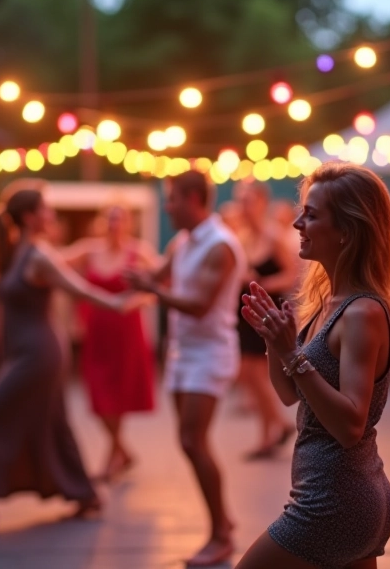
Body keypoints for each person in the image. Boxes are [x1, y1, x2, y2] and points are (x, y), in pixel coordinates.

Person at [234, 162, 390, 569]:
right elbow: (289, 395)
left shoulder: (362, 312)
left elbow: (350, 427)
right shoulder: (328, 302)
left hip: (333, 501)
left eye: (311, 214)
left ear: (347, 229)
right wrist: (277, 344)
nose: (297, 222)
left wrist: (293, 355)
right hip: (346, 495)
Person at [0, 188, 141, 532]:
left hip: (40, 353)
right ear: (28, 217)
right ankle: (86, 495)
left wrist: (119, 303)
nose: (51, 215)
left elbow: (78, 288)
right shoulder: (17, 251)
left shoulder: (39, 255)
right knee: (52, 422)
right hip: (23, 351)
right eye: (45, 209)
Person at [125, 169, 246, 566]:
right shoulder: (183, 240)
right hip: (181, 352)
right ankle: (223, 519)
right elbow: (156, 276)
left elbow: (199, 304)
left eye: (172, 198)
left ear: (193, 199)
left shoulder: (220, 245)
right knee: (188, 440)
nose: (167, 206)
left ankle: (220, 534)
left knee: (194, 440)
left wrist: (152, 291)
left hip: (210, 352)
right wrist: (129, 277)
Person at [63, 204, 159, 481]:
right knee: (97, 393)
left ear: (129, 223)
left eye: (121, 219)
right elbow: (55, 268)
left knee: (118, 394)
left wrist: (135, 302)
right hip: (96, 331)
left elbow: (161, 287)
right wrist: (74, 311)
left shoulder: (139, 251)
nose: (115, 224)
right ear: (103, 222)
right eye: (111, 219)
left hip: (126, 333)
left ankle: (111, 457)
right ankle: (122, 450)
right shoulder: (88, 250)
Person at [232, 179, 297, 459]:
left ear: (261, 202)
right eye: (240, 201)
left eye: (247, 201)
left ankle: (269, 433)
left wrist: (262, 283)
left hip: (265, 309)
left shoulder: (273, 236)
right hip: (246, 310)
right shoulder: (242, 236)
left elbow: (292, 274)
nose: (243, 207)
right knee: (248, 374)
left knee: (256, 374)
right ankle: (277, 427)